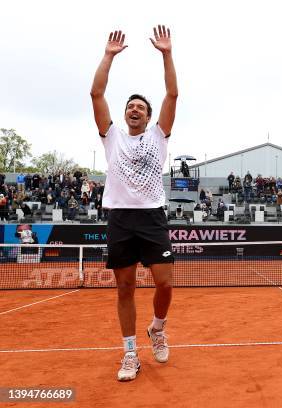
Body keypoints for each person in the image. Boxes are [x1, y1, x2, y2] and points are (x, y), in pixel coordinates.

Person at [90, 26, 178, 382]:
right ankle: (129, 354)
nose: (135, 110)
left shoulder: (159, 135)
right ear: (125, 115)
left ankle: (157, 328)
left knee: (165, 283)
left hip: (152, 216)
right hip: (121, 219)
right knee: (125, 288)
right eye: (131, 106)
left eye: (141, 107)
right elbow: (96, 93)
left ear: (149, 115)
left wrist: (166, 54)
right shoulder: (111, 137)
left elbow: (173, 93)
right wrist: (108, 56)